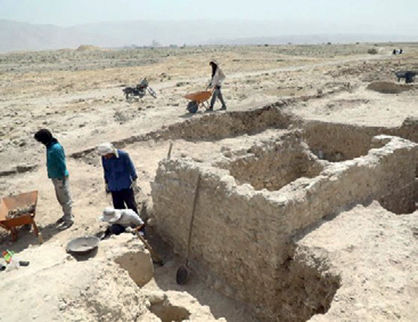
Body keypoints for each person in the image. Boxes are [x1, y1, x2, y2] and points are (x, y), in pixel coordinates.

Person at [34, 129, 74, 230]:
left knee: (65, 198)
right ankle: (66, 215)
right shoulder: (50, 146)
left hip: (59, 177)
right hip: (55, 176)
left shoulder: (55, 148)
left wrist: (61, 179)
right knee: (60, 198)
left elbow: (61, 164)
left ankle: (69, 220)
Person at [97, 142, 139, 214]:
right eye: (104, 156)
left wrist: (134, 179)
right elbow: (106, 170)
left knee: (131, 205)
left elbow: (131, 168)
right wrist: (106, 183)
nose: (106, 157)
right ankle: (122, 223)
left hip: (126, 185)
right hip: (114, 187)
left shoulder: (123, 156)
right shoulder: (104, 158)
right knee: (118, 207)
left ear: (111, 152)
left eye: (107, 155)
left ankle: (136, 222)